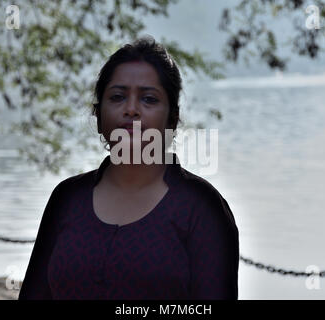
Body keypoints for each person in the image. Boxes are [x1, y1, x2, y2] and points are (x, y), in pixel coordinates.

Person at [18, 36, 239, 300]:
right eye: (118, 97)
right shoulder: (67, 198)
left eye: (148, 99)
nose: (131, 109)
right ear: (98, 116)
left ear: (172, 119)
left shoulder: (202, 208)